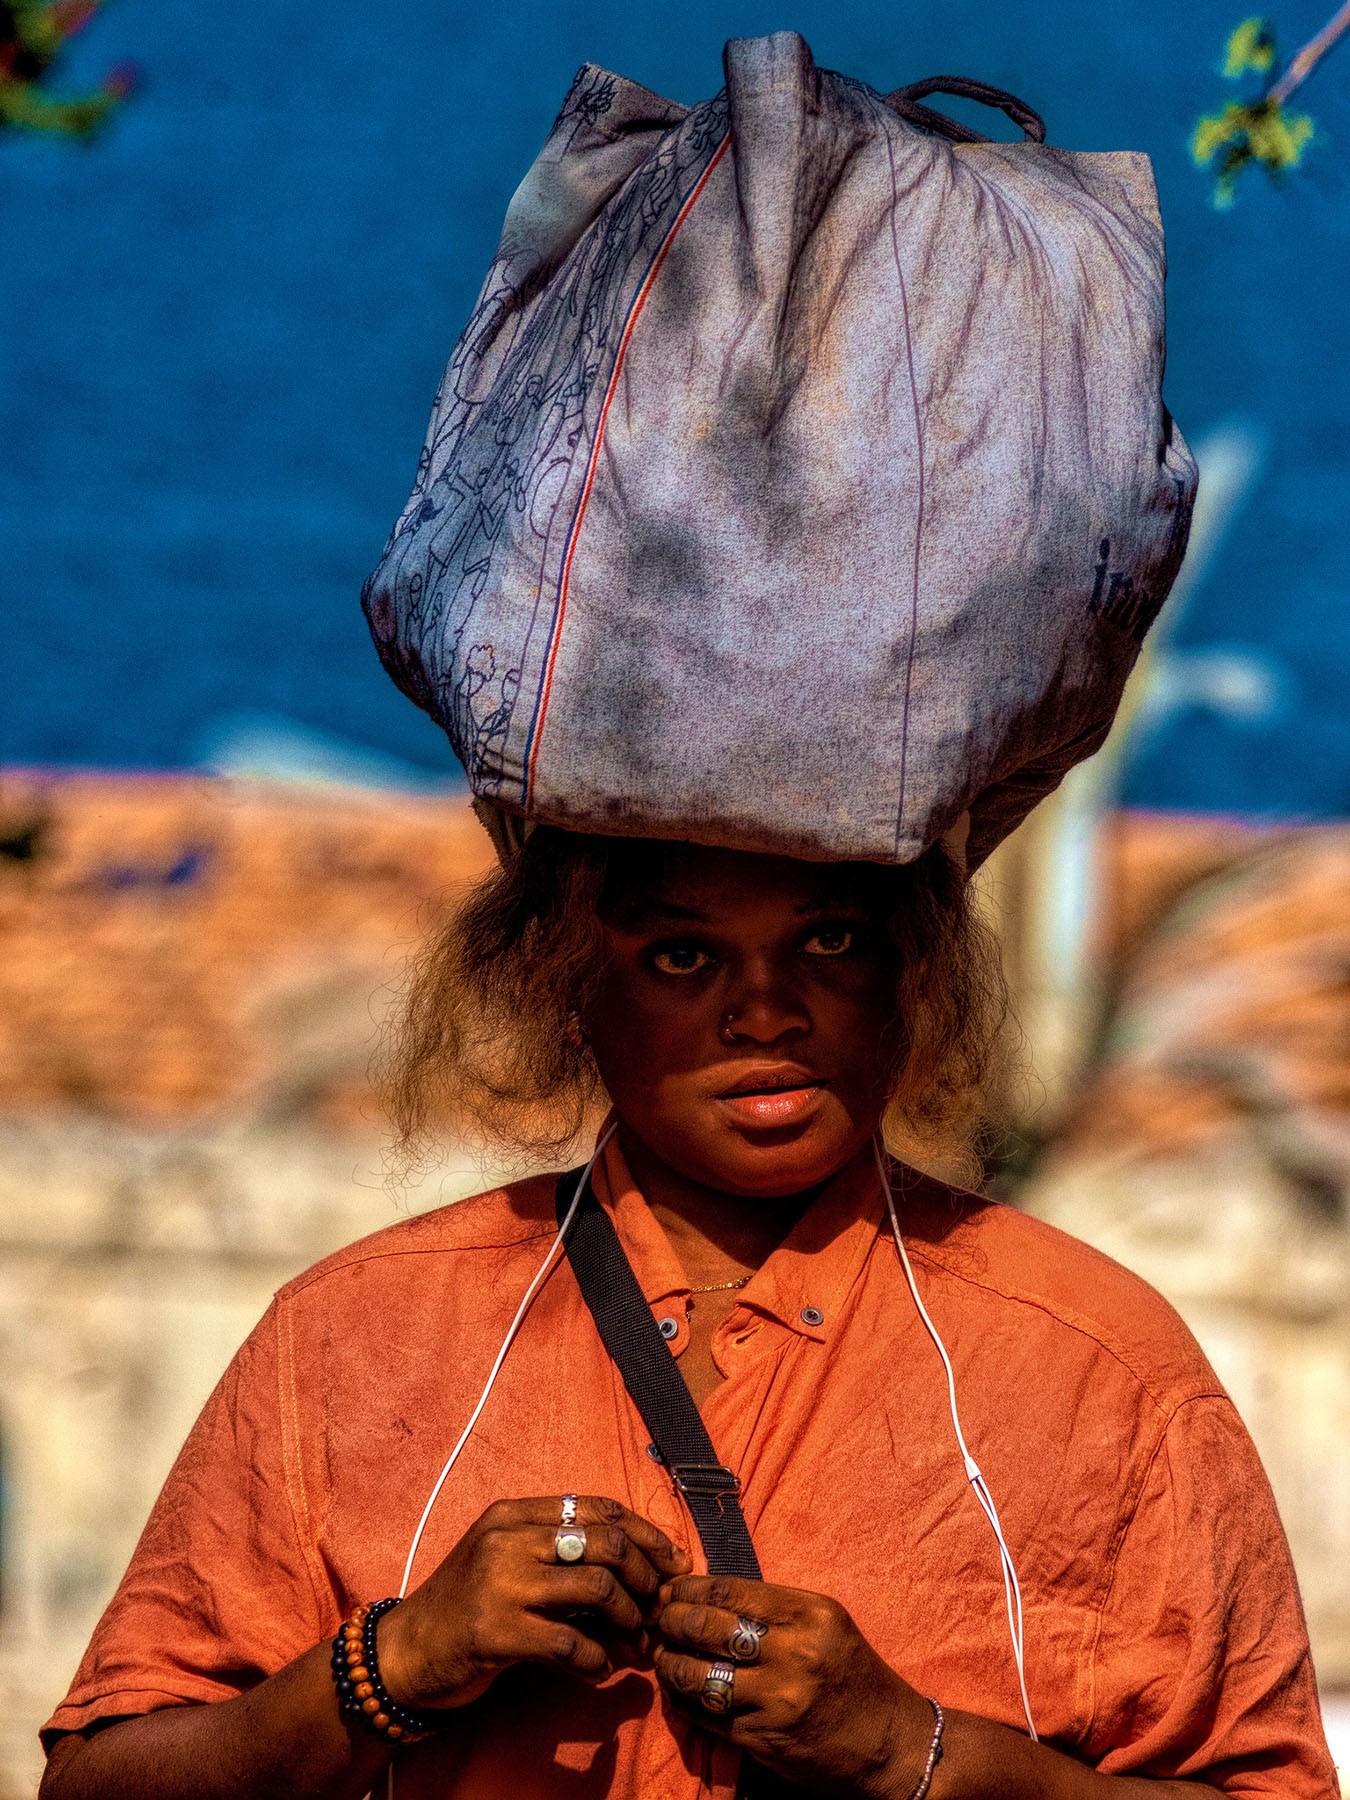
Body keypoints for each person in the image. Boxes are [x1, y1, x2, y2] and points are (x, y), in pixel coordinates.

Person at [39, 829, 1337, 1797]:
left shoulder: (1093, 1357)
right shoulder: (356, 1332)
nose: (764, 1009)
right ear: (567, 993)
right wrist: (396, 1664)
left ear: (910, 974)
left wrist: (915, 1750)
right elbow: (100, 1782)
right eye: (679, 954)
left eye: (828, 940)